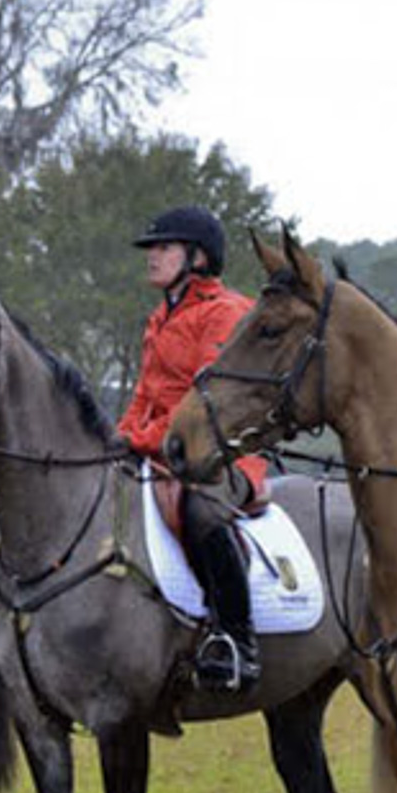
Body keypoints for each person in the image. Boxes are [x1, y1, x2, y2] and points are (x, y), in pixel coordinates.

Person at [119, 205, 267, 692]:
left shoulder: (227, 313)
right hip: (162, 452)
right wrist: (119, 437)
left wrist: (139, 440)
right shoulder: (160, 316)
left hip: (220, 457)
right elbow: (145, 394)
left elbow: (200, 405)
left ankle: (236, 641)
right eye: (152, 249)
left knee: (202, 512)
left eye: (163, 247)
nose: (152, 257)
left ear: (197, 256)